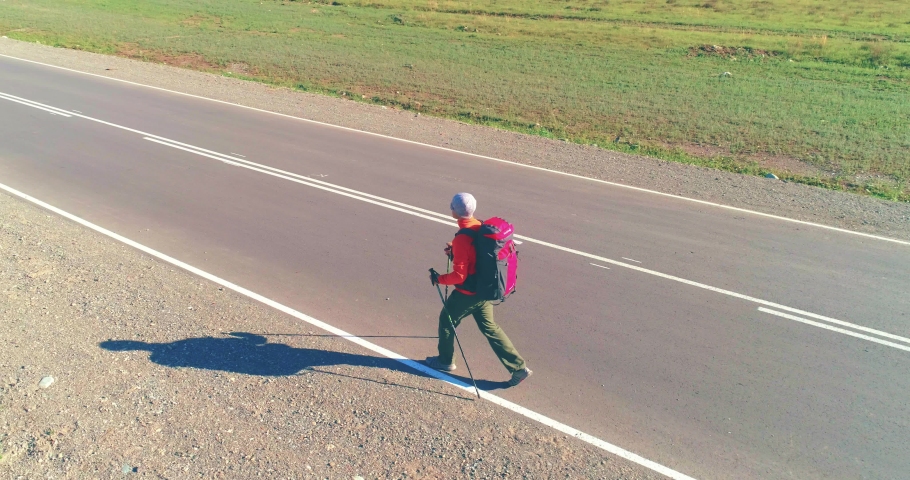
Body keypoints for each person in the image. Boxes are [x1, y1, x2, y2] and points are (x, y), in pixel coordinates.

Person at [426, 193, 532, 387]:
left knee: (446, 321)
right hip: (485, 291)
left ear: (454, 211)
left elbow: (459, 276)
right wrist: (455, 253)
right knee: (490, 328)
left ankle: (445, 361)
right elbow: (476, 258)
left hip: (468, 294)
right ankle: (518, 368)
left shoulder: (462, 238)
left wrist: (439, 279)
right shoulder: (481, 227)